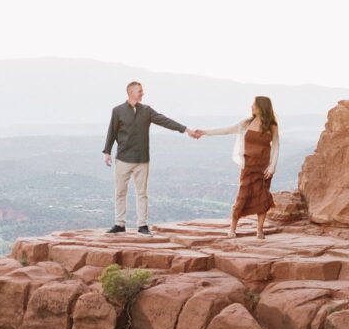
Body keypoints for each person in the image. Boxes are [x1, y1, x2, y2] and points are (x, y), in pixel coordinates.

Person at [103, 81, 199, 236]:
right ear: (130, 92)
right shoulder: (118, 111)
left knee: (142, 194)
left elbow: (164, 120)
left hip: (142, 160)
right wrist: (107, 151)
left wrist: (186, 129)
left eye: (142, 91)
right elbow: (112, 131)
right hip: (123, 159)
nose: (142, 93)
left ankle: (142, 225)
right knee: (120, 192)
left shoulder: (146, 111)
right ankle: (119, 224)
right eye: (139, 91)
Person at [195, 96, 279, 239]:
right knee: (242, 195)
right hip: (248, 165)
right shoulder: (246, 123)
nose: (251, 106)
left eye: (254, 104)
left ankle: (259, 230)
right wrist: (204, 132)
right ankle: (232, 228)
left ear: (261, 107)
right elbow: (226, 130)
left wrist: (272, 168)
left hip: (263, 167)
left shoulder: (272, 125)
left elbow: (276, 146)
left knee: (262, 197)